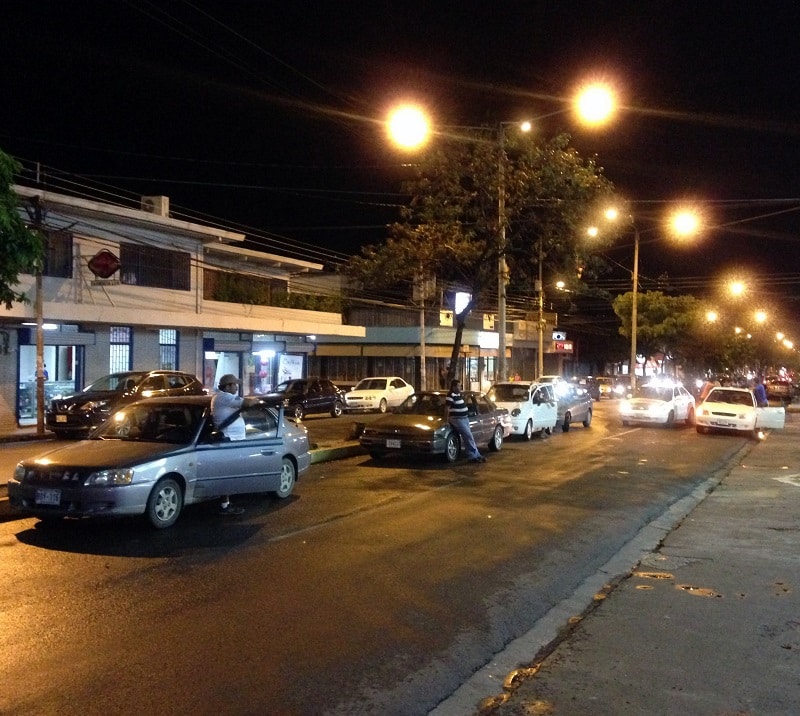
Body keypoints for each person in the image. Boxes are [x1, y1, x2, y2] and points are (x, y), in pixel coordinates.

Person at [211, 373, 246, 515]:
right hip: (229, 439)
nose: (237, 387)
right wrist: (259, 401)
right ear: (228, 386)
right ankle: (224, 505)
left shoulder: (224, 398)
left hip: (232, 440)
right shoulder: (224, 397)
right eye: (235, 385)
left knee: (230, 472)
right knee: (228, 473)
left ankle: (226, 502)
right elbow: (247, 403)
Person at [444, 379, 485, 463]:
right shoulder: (450, 395)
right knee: (468, 436)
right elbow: (446, 408)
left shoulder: (458, 394)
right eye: (459, 386)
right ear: (454, 387)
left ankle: (476, 455)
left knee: (469, 437)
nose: (460, 387)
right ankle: (472, 456)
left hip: (464, 418)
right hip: (457, 419)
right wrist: (446, 420)